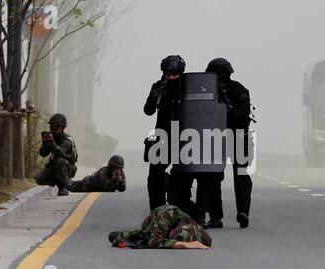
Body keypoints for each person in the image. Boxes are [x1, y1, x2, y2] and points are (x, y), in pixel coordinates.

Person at [205, 58, 253, 228]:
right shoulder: (207, 91)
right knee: (212, 176)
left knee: (241, 174)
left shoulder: (239, 90)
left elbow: (243, 118)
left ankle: (243, 212)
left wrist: (227, 106)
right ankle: (215, 217)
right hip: (216, 137)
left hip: (238, 135)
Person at [144, 55, 186, 210]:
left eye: (174, 74)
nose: (171, 77)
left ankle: (183, 212)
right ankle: (157, 211)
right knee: (155, 176)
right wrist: (156, 96)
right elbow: (148, 111)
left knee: (182, 178)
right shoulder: (158, 86)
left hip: (185, 137)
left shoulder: (187, 85)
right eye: (168, 74)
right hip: (163, 137)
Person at [108, 205, 212, 249]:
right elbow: (154, 241)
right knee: (126, 236)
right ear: (174, 230)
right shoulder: (165, 218)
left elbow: (208, 242)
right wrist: (184, 245)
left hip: (165, 227)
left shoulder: (198, 232)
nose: (172, 238)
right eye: (173, 237)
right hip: (150, 226)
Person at [35, 113, 78, 196]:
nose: (51, 128)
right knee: (39, 179)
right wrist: (45, 143)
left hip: (68, 168)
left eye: (53, 126)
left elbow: (59, 153)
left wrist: (52, 142)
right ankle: (59, 181)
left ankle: (64, 187)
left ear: (60, 127)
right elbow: (43, 154)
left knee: (60, 161)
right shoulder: (53, 138)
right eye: (50, 125)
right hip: (55, 167)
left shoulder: (67, 140)